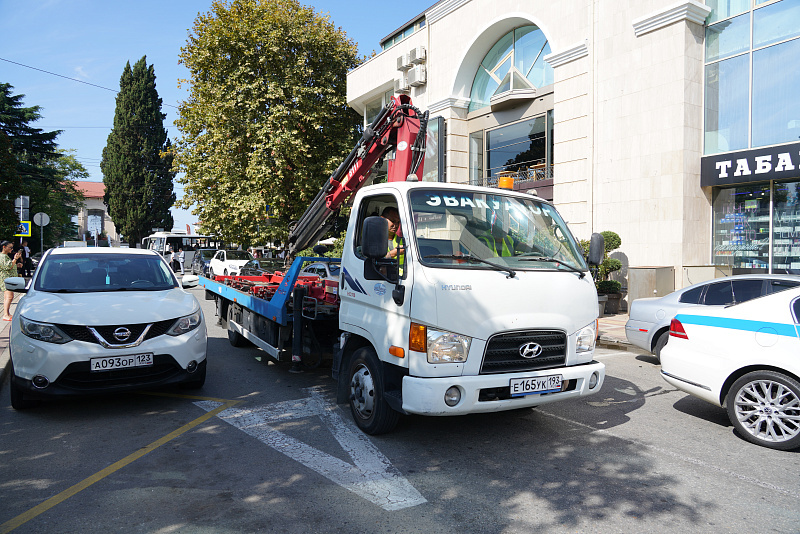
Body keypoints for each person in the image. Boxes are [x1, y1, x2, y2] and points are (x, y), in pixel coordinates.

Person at [1, 240, 21, 321]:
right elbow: (8, 266)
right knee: (9, 297)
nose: (11, 249)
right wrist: (15, 259)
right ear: (4, 247)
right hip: (6, 279)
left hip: (8, 279)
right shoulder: (2, 256)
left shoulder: (5, 256)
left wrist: (16, 264)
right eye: (10, 247)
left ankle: (7, 313)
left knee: (8, 297)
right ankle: (5, 314)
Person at [381, 206, 404, 274]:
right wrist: (393, 253)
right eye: (393, 221)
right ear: (382, 219)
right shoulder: (375, 240)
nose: (396, 225)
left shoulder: (404, 241)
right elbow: (373, 262)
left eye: (398, 222)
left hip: (404, 279)